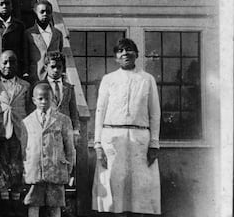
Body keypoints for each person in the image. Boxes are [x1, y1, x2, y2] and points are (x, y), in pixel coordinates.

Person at [92, 38, 161, 215]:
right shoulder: (108, 80)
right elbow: (100, 111)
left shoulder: (147, 79)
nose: (125, 54)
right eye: (121, 51)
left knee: (141, 189)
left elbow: (155, 113)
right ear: (116, 57)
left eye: (129, 50)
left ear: (136, 54)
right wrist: (98, 144)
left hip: (139, 139)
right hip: (112, 138)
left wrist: (154, 143)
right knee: (114, 187)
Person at [22, 83, 75, 217]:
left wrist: (69, 168)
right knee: (33, 203)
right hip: (35, 170)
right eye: (40, 99)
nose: (44, 102)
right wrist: (26, 167)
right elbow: (24, 147)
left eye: (47, 98)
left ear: (53, 99)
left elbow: (69, 147)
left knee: (55, 204)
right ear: (34, 100)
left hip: (56, 169)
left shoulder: (63, 120)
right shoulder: (27, 122)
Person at [0, 50, 30, 207]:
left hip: (20, 131)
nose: (8, 65)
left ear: (17, 65)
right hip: (1, 131)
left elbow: (29, 109)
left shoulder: (25, 86)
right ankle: (4, 201)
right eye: (4, 62)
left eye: (12, 62)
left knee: (17, 165)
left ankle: (16, 199)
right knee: (2, 165)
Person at [38, 51, 79, 136]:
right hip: (46, 129)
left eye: (59, 67)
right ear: (46, 68)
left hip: (65, 130)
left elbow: (73, 110)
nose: (56, 70)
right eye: (52, 67)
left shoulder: (69, 88)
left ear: (63, 68)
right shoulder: (40, 87)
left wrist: (75, 130)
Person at [25, 0, 64, 82]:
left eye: (48, 12)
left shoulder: (57, 34)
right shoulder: (29, 34)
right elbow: (25, 56)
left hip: (54, 77)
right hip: (36, 76)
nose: (45, 14)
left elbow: (60, 53)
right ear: (35, 14)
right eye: (42, 12)